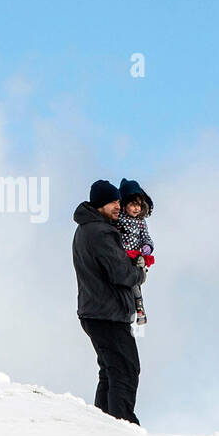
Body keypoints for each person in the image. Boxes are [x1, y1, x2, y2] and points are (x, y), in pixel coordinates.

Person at [72, 179, 145, 423]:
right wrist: (139, 272)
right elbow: (120, 273)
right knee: (126, 370)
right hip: (107, 314)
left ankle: (104, 426)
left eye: (118, 201)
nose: (117, 206)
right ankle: (123, 425)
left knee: (111, 371)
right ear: (99, 204)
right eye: (112, 202)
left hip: (96, 312)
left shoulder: (86, 228)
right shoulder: (101, 232)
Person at [117, 179, 155, 325]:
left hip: (135, 256)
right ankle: (128, 309)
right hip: (121, 254)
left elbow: (146, 236)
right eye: (133, 204)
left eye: (139, 205)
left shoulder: (140, 222)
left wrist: (147, 246)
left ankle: (139, 309)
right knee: (123, 282)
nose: (136, 208)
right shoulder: (119, 218)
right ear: (124, 204)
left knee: (134, 284)